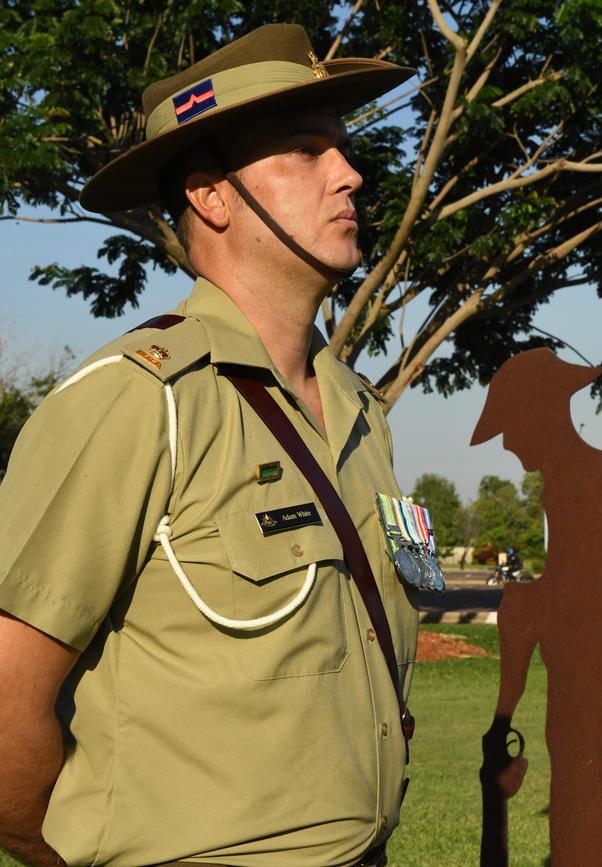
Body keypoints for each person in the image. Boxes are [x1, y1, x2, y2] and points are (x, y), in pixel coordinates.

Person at [0, 23, 421, 867]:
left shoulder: (360, 412)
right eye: (307, 151)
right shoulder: (135, 399)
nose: (351, 174)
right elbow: (8, 701)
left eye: (342, 148)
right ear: (212, 197)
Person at [472, 348, 602, 867]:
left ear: (540, 416)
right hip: (584, 699)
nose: (507, 442)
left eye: (511, 426)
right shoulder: (574, 483)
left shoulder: (590, 483)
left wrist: (531, 605)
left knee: (593, 841)